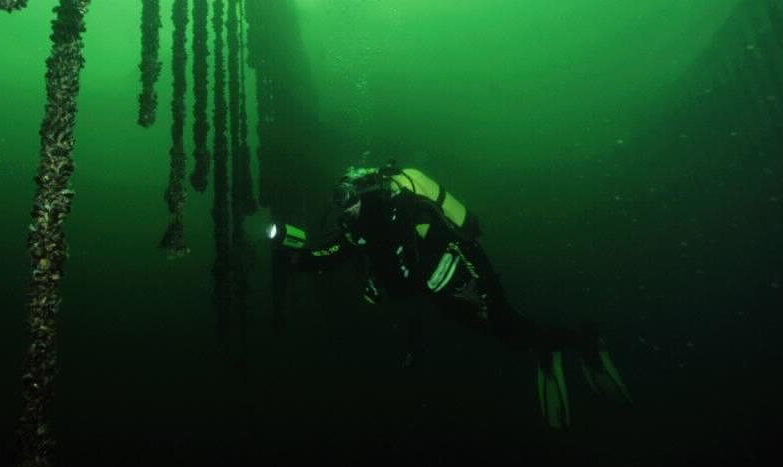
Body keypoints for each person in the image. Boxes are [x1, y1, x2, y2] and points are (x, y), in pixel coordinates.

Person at [269, 161, 631, 430]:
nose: (340, 208)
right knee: (504, 332)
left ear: (363, 191)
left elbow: (443, 244)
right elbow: (328, 257)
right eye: (337, 200)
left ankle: (583, 340)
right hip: (441, 296)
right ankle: (544, 344)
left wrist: (451, 282)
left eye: (345, 197)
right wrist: (295, 256)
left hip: (465, 276)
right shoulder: (359, 231)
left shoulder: (403, 208)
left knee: (505, 322)